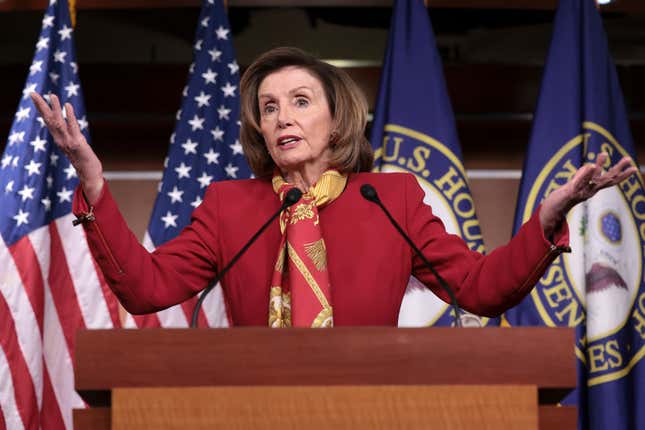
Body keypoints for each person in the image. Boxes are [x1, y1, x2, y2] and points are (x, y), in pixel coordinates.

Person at [31, 47, 637, 327]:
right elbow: (146, 287)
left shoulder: (390, 199)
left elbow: (479, 288)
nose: (282, 118)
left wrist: (548, 219)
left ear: (337, 119)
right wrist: (94, 183)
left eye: (299, 102)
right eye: (268, 109)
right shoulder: (229, 206)